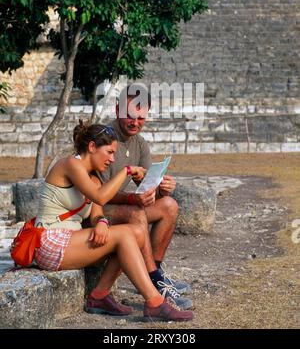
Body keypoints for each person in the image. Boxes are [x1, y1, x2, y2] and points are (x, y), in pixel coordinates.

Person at [33, 121, 193, 322]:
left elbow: (97, 212)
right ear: (92, 147)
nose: (112, 159)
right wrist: (126, 171)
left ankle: (99, 295)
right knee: (127, 233)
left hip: (71, 240)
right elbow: (100, 197)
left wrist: (101, 222)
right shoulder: (69, 164)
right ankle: (155, 302)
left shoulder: (94, 179)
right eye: (109, 152)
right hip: (49, 242)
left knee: (134, 231)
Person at [97, 85, 192, 310]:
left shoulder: (139, 143)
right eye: (130, 115)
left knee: (169, 205)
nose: (135, 122)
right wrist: (133, 200)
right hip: (98, 211)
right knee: (136, 212)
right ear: (118, 109)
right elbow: (98, 195)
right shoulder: (103, 138)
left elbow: (149, 188)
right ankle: (154, 280)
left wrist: (163, 190)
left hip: (121, 208)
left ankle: (156, 270)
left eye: (141, 118)